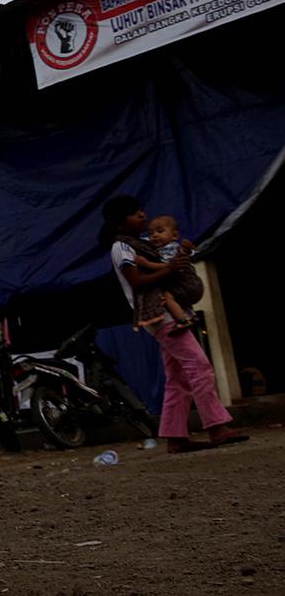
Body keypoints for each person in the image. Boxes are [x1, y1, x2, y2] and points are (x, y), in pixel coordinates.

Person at [100, 195, 248, 454]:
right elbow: (136, 282)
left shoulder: (141, 243)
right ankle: (217, 426)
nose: (143, 216)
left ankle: (175, 436)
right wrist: (170, 270)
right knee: (199, 366)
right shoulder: (121, 248)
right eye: (136, 213)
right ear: (121, 222)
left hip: (166, 314)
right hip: (159, 315)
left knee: (177, 377)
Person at [128, 215, 205, 335]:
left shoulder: (170, 249)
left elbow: (168, 266)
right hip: (188, 286)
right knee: (175, 298)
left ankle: (182, 321)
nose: (154, 235)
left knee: (168, 297)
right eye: (151, 233)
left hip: (188, 284)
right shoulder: (167, 247)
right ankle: (191, 315)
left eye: (160, 231)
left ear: (174, 235)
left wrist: (146, 263)